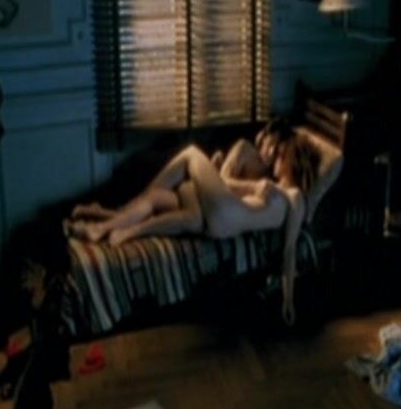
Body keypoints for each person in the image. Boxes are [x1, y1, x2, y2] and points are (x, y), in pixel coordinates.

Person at [66, 127, 320, 324]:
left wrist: (288, 298)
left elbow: (289, 249)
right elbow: (229, 186)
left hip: (225, 213)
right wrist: (248, 184)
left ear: (293, 160)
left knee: (190, 153)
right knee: (158, 199)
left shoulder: (295, 197)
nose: (276, 160)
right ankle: (103, 223)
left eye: (281, 155)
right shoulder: (271, 187)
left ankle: (114, 218)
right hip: (220, 221)